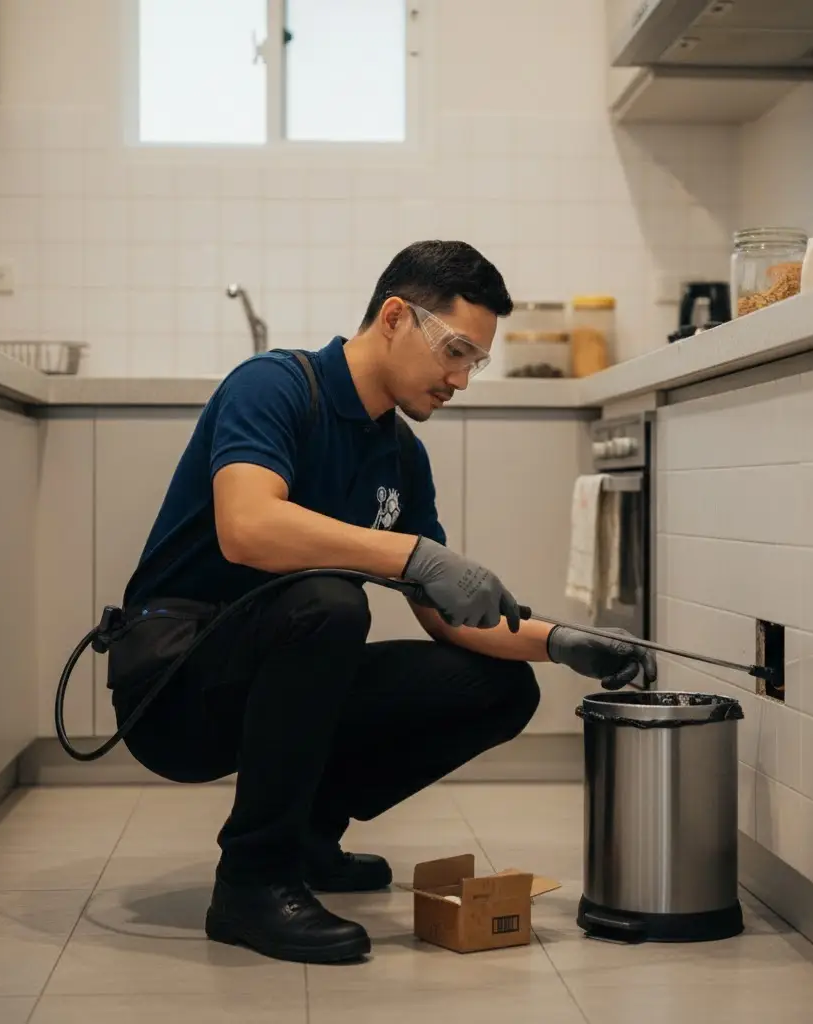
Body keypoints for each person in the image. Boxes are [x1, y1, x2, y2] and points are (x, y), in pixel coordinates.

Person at [106, 240, 657, 965]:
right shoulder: (274, 386)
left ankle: (306, 834)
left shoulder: (400, 454)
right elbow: (248, 529)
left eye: (476, 362)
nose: (461, 379)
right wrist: (414, 554)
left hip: (286, 664)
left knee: (496, 690)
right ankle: (251, 880)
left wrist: (559, 642)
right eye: (455, 351)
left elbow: (443, 618)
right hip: (174, 688)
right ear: (395, 317)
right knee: (329, 603)